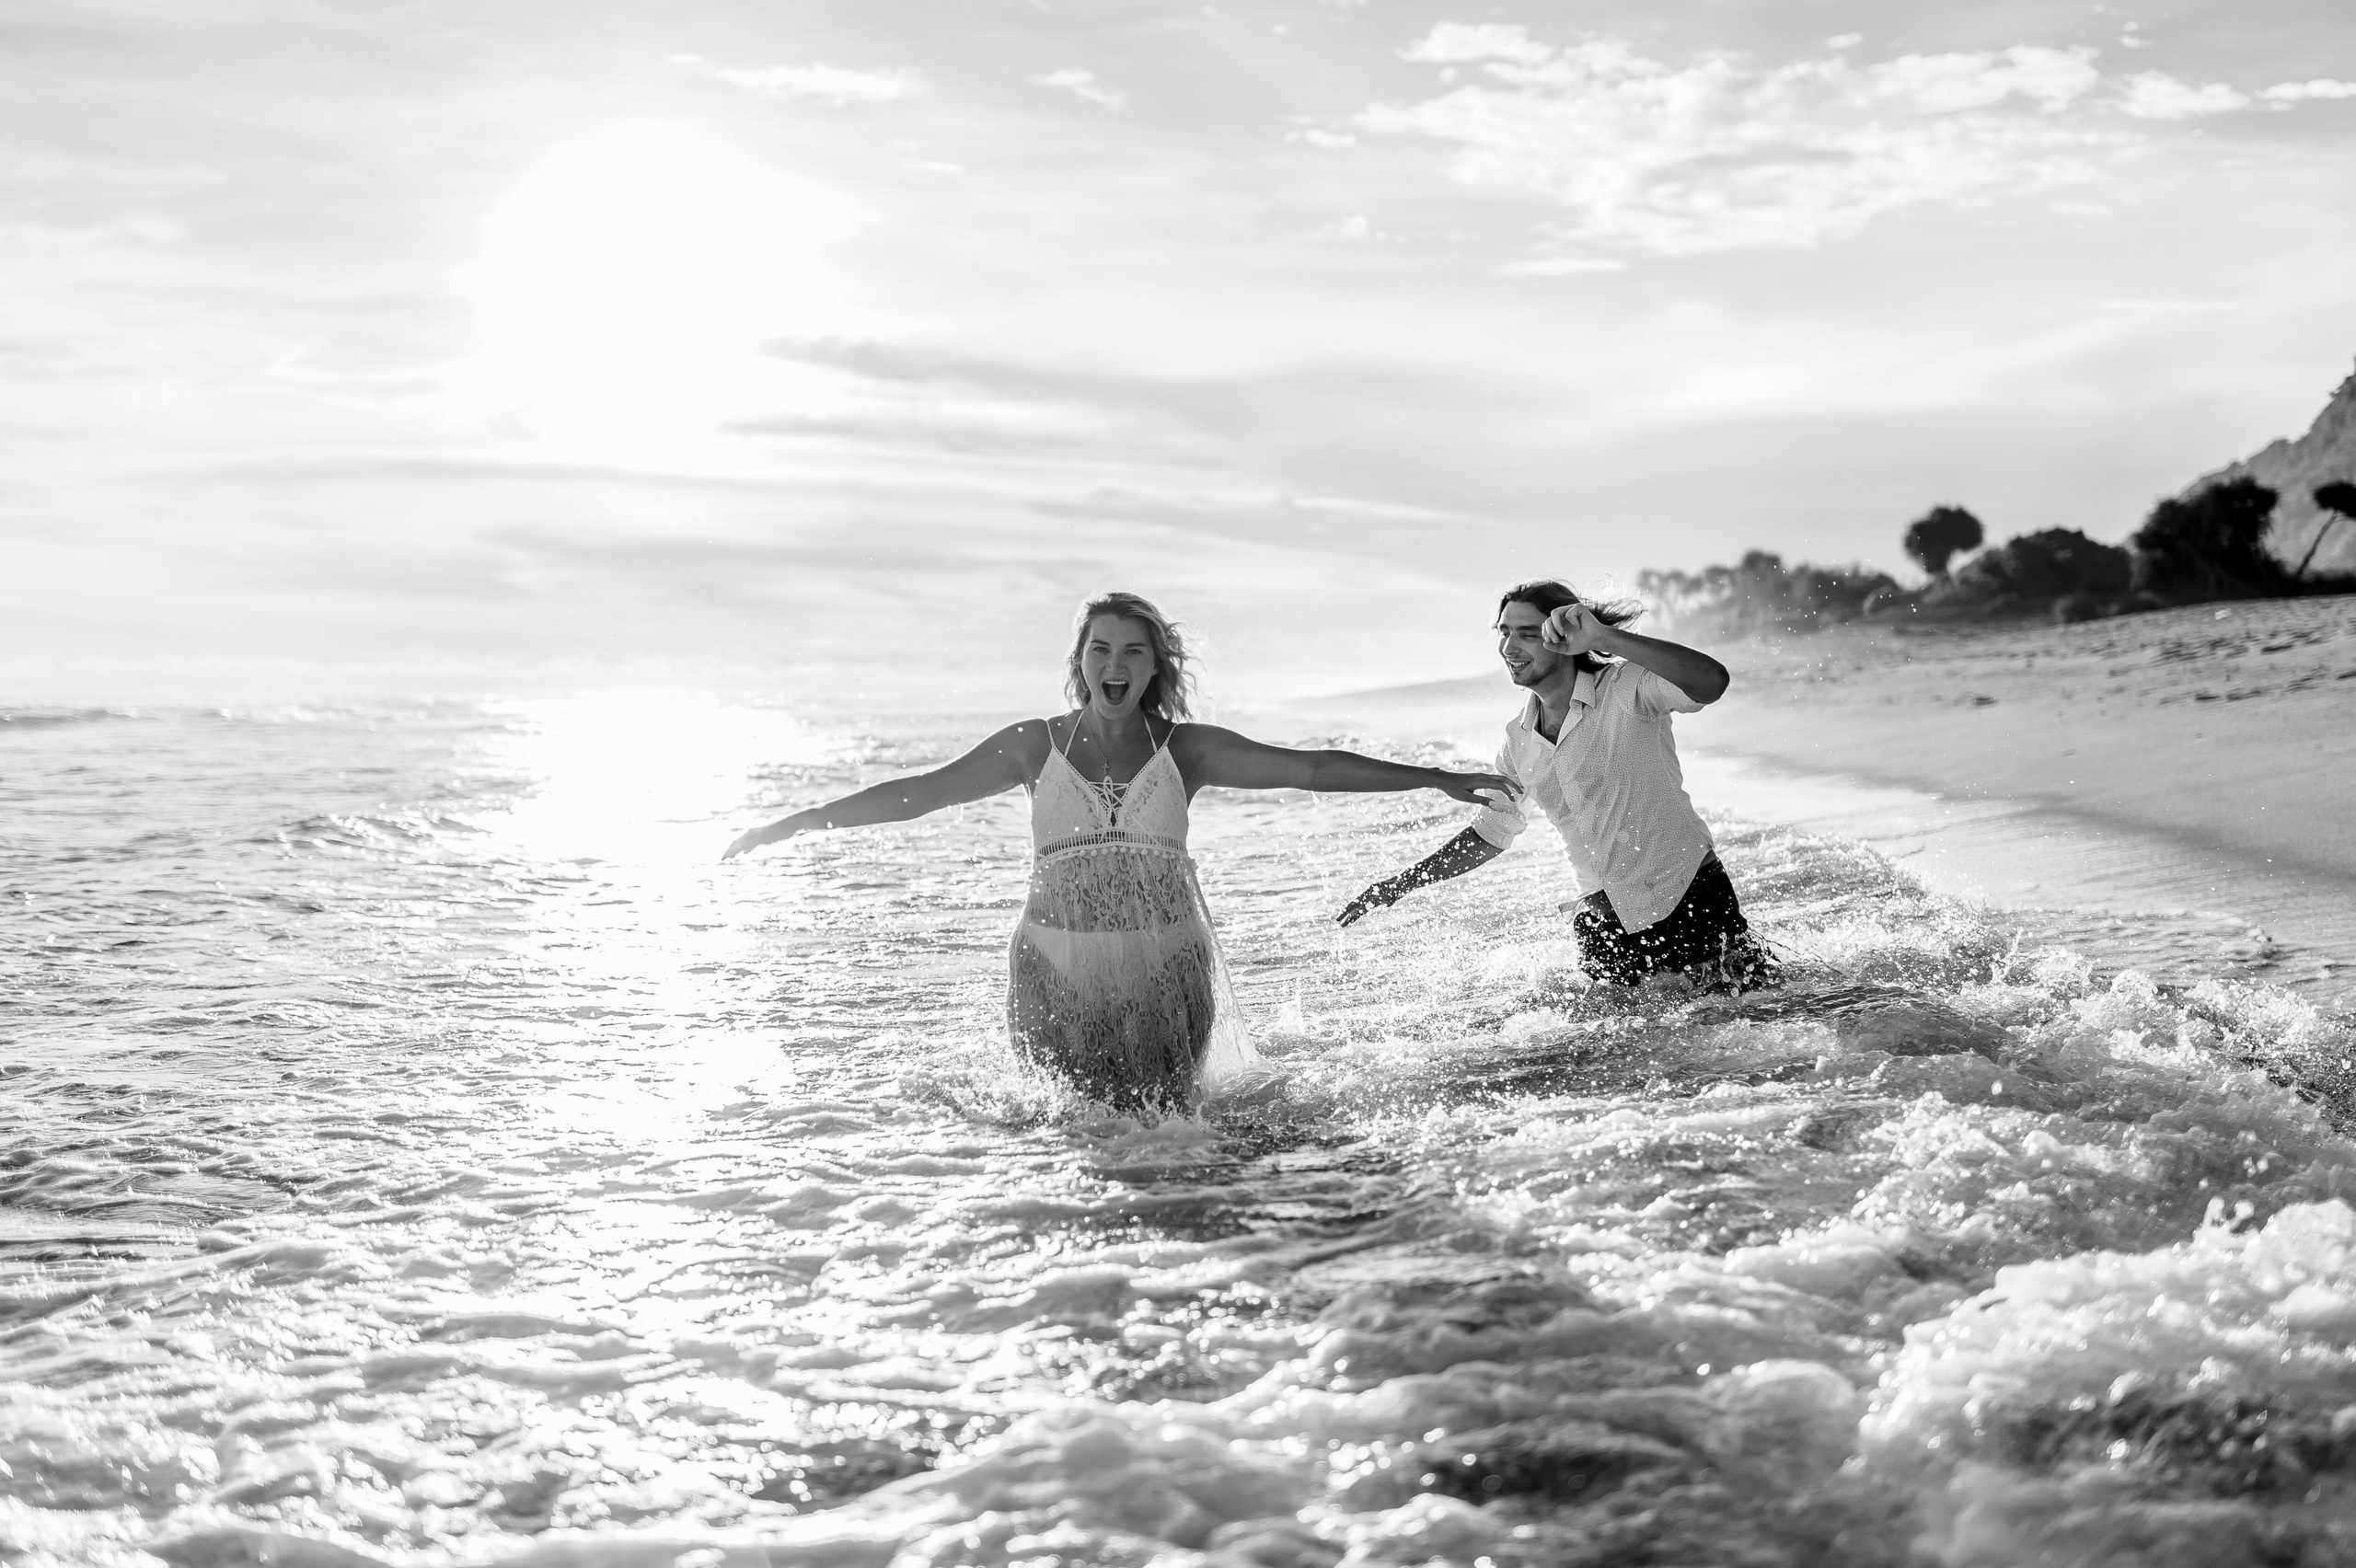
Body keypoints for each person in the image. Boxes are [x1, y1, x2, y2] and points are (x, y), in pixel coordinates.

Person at [724, 591, 1518, 1110]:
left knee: (1172, 1145)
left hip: (1167, 968)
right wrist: (796, 823)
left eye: (1133, 651)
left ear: (1154, 667)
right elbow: (917, 794)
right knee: (1078, 1148)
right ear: (1080, 663)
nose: (1116, 664)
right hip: (1053, 970)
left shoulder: (1189, 750)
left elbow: (1309, 769)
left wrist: (1434, 777)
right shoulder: (1032, 748)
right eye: (1101, 649)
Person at [1337, 580, 1776, 990]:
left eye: (1527, 633)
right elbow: (1490, 833)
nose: (1509, 647)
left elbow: (1711, 683)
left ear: (1565, 638)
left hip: (1686, 896)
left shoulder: (1627, 687)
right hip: (1603, 921)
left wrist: (1605, 638)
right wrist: (1400, 885)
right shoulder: (1518, 741)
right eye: (1504, 632)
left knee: (1746, 1025)